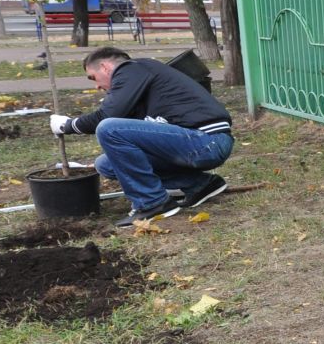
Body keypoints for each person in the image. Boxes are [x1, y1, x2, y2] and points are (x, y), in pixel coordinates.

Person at [51, 46, 235, 227]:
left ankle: (152, 203)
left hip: (206, 141)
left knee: (108, 128)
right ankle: (199, 185)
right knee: (106, 165)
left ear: (105, 67)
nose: (97, 86)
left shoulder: (131, 69)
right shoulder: (141, 82)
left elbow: (106, 117)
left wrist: (68, 125)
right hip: (198, 143)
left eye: (94, 78)